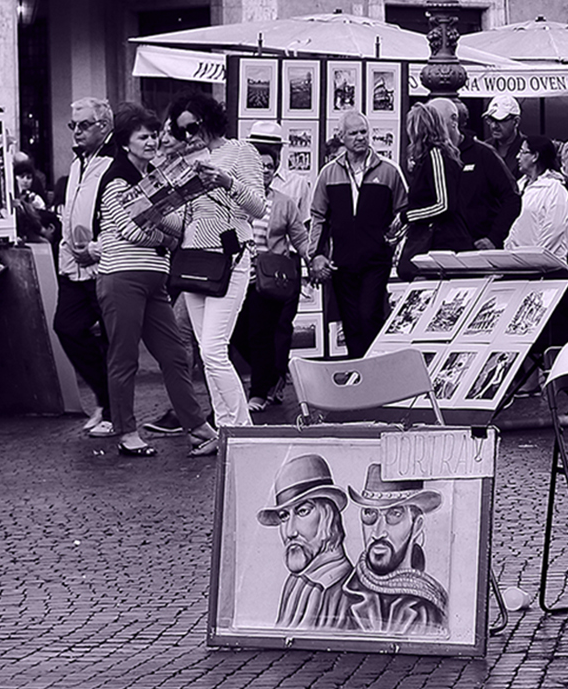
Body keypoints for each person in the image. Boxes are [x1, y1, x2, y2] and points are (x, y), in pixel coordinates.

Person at [94, 105, 217, 459]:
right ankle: (127, 432)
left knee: (175, 354)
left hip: (154, 280)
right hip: (122, 278)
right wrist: (165, 236)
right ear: (125, 142)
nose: (150, 142)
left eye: (153, 136)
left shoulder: (152, 177)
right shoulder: (116, 179)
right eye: (142, 137)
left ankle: (196, 426)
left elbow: (176, 225)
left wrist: (167, 226)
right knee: (124, 358)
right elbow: (128, 229)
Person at [165, 93, 267, 436]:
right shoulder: (186, 162)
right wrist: (154, 214)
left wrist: (226, 181)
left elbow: (258, 207)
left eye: (192, 127)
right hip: (195, 259)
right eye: (182, 132)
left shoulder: (240, 151)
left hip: (230, 257)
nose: (189, 136)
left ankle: (243, 430)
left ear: (209, 118)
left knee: (212, 350)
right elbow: (184, 223)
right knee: (208, 355)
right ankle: (226, 430)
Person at [308, 109, 406, 359]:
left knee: (369, 314)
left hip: (376, 260)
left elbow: (405, 212)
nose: (360, 137)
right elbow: (318, 216)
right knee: (350, 322)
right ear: (342, 137)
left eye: (364, 131)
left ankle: (374, 371)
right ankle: (358, 375)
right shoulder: (329, 173)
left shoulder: (389, 170)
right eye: (353, 133)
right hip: (342, 262)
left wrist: (392, 242)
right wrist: (316, 255)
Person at [52, 98, 118, 437]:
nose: (76, 131)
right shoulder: (78, 161)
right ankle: (105, 398)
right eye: (72, 125)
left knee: (112, 341)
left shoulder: (115, 161)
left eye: (83, 125)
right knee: (67, 326)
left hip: (104, 266)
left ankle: (114, 410)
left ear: (103, 126)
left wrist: (98, 249)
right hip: (74, 268)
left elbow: (123, 216)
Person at [231, 123, 308, 412]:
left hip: (269, 280)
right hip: (238, 277)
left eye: (268, 166)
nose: (263, 171)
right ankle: (272, 374)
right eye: (258, 165)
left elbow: (300, 236)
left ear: (274, 169)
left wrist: (313, 259)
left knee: (261, 335)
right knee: (238, 333)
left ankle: (258, 393)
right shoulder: (236, 199)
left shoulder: (285, 202)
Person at [344, 464, 448, 636]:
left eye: (394, 514)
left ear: (417, 526)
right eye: (370, 513)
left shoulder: (429, 606)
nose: (378, 533)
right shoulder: (342, 593)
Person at [257, 453, 357, 631]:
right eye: (284, 516)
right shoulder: (297, 582)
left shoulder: (346, 591)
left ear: (328, 516)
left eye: (303, 511)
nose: (290, 532)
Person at [429, 98, 519, 248]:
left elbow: (512, 198)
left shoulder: (483, 153)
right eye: (491, 120)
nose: (432, 129)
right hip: (439, 249)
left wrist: (494, 238)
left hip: (476, 250)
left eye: (436, 123)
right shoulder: (430, 156)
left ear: (454, 121)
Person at [397, 102, 472, 279]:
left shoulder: (435, 156)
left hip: (441, 244)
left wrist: (407, 217)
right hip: (440, 242)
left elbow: (444, 204)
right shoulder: (431, 157)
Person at [504, 134, 568, 261]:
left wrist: (535, 258)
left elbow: (554, 231)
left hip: (545, 267)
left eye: (523, 152)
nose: (518, 157)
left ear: (535, 156)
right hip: (517, 264)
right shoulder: (518, 186)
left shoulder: (555, 188)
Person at [482, 93, 523, 178]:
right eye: (490, 120)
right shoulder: (484, 148)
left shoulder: (528, 149)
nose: (494, 126)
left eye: (500, 120)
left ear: (516, 122)